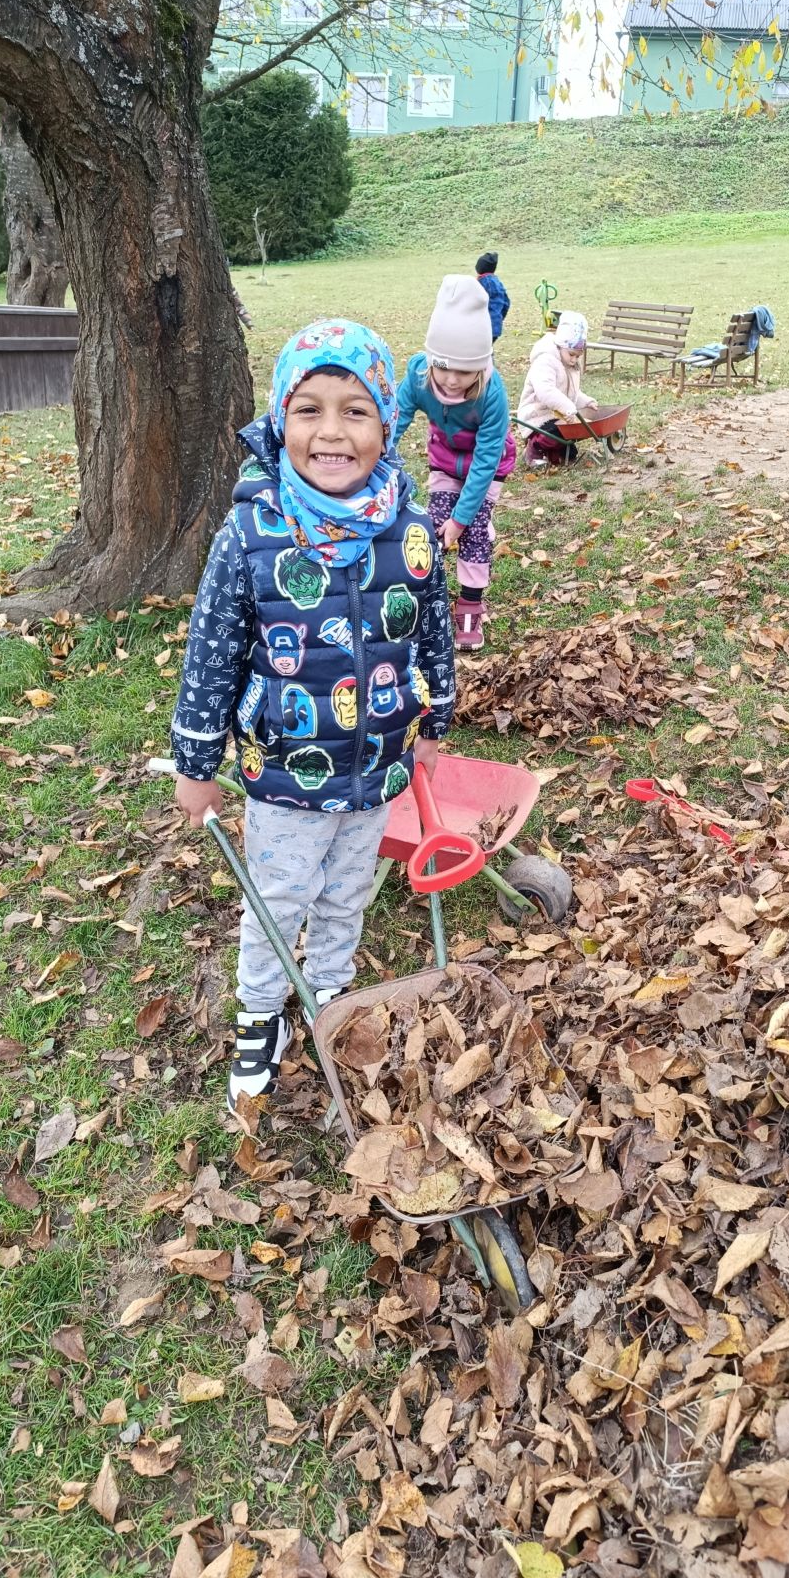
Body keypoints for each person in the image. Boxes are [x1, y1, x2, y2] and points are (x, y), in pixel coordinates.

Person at [171, 319, 454, 1104]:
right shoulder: (250, 534)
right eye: (309, 410)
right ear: (279, 421)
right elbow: (211, 657)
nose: (332, 432)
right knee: (278, 899)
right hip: (287, 774)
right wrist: (196, 764)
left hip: (376, 765)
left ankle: (331, 989)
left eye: (355, 411)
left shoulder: (410, 530)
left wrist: (434, 722)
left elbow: (432, 633)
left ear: (386, 425)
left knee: (347, 892)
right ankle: (262, 1012)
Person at [396, 275, 515, 650]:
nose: (450, 380)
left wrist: (461, 520)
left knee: (474, 528)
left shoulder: (491, 394)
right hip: (445, 462)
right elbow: (392, 423)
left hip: (488, 468)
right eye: (443, 367)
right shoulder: (418, 376)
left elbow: (485, 460)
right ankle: (426, 595)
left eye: (463, 371)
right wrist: (377, 461)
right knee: (434, 524)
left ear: (480, 366)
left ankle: (470, 604)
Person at [516, 310, 599, 468]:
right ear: (561, 346)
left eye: (578, 356)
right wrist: (568, 408)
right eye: (571, 354)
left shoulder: (569, 364)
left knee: (570, 452)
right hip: (537, 416)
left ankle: (553, 451)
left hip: (557, 414)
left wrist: (586, 401)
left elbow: (571, 393)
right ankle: (534, 447)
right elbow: (546, 391)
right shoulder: (545, 361)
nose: (574, 360)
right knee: (560, 430)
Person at [475, 252, 510, 342]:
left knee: (480, 347)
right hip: (496, 325)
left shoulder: (483, 282)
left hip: (484, 325)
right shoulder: (496, 281)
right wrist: (499, 317)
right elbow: (506, 303)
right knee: (487, 347)